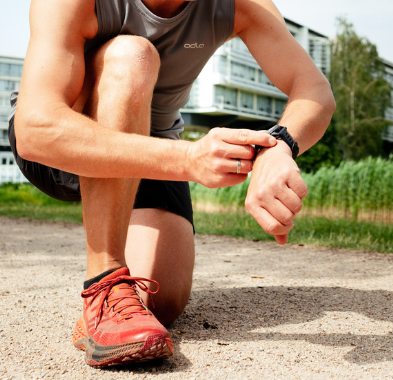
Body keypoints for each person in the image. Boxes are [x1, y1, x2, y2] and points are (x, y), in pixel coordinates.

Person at [9, 0, 335, 367]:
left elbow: (314, 89)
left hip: (158, 143)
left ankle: (106, 309)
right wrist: (189, 160)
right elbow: (34, 130)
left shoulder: (241, 5)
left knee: (160, 303)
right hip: (67, 144)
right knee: (133, 54)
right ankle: (104, 280)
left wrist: (278, 148)